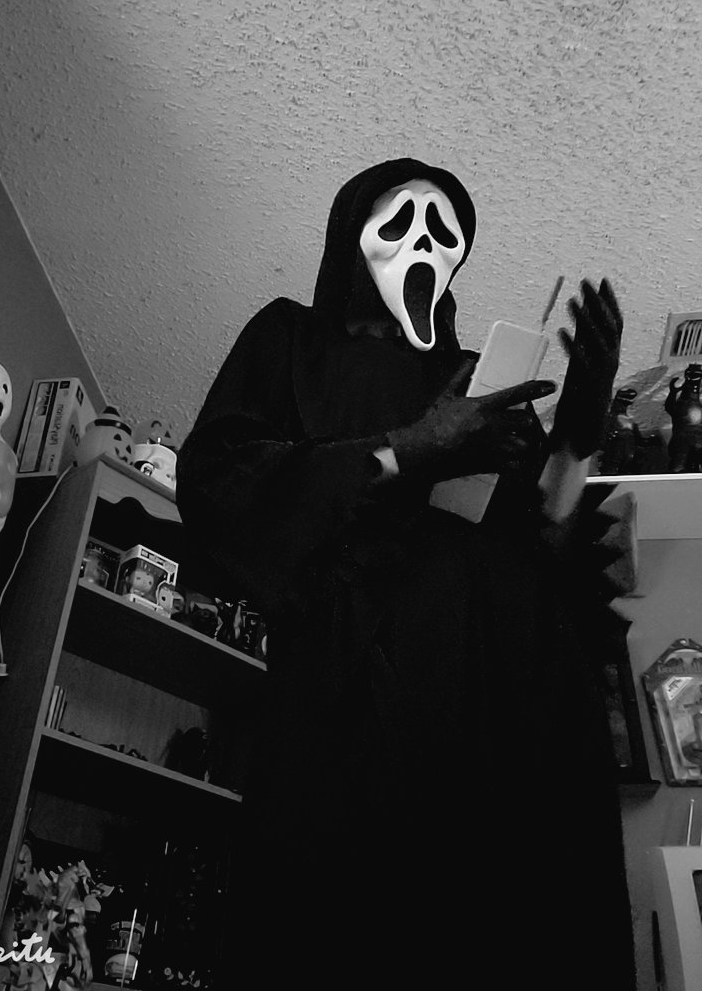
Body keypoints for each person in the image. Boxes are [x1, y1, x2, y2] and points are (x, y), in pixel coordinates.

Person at [176, 158, 636, 990]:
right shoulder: (291, 340)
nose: (422, 242)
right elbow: (222, 481)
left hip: (494, 708)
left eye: (442, 231)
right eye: (399, 221)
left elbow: (545, 547)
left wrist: (574, 435)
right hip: (355, 698)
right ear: (350, 233)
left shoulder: (477, 381)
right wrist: (413, 449)